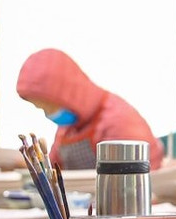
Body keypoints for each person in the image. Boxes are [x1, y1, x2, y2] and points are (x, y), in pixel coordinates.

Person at [16, 48, 164, 170]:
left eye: (51, 106)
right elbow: (54, 168)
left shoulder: (119, 120)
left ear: (69, 95)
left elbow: (133, 180)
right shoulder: (68, 128)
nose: (49, 114)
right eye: (42, 108)